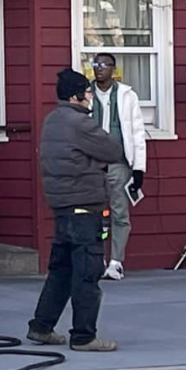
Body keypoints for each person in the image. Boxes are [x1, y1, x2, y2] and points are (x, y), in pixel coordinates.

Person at [28, 69, 128, 351]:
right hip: (85, 206)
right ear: (75, 96)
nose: (90, 97)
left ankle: (41, 327)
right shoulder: (81, 124)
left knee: (61, 270)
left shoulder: (52, 121)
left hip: (62, 206)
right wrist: (97, 163)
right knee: (87, 271)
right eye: (87, 92)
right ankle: (84, 336)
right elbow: (112, 150)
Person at [88, 53, 147, 282]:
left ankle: (116, 262)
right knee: (94, 213)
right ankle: (97, 260)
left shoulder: (126, 95)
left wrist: (139, 168)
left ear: (113, 69)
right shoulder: (86, 94)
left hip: (118, 162)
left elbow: (137, 132)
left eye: (103, 65)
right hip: (92, 163)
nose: (98, 68)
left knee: (119, 212)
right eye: (95, 64)